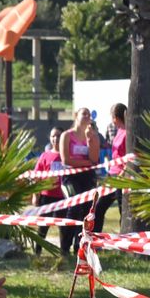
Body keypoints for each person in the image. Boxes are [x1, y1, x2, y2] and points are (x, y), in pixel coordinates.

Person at [57, 107, 105, 256]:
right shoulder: (66, 135)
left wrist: (91, 139)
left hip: (87, 177)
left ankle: (80, 245)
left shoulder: (93, 136)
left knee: (86, 211)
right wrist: (86, 164)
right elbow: (66, 160)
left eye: (89, 115)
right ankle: (64, 247)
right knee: (74, 209)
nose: (87, 117)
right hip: (70, 177)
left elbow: (94, 159)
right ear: (76, 116)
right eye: (84, 113)